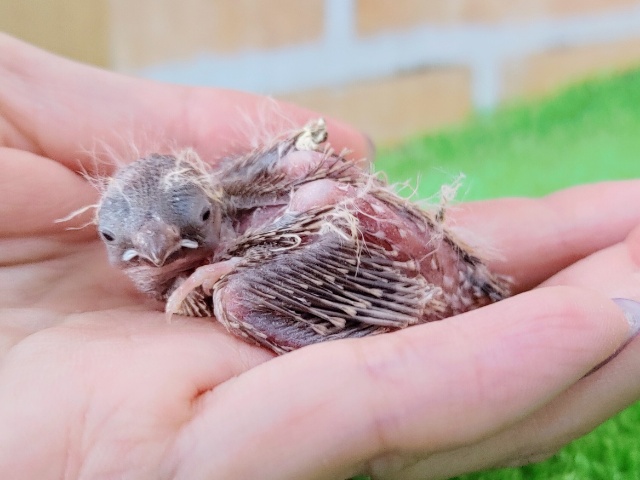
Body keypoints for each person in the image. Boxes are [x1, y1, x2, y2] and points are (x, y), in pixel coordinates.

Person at [1, 32, 640, 480]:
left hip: (408, 274)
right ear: (107, 236)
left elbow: (313, 190)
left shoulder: (244, 270)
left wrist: (232, 279)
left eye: (191, 229)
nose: (154, 258)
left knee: (273, 246)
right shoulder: (222, 221)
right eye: (123, 246)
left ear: (211, 211)